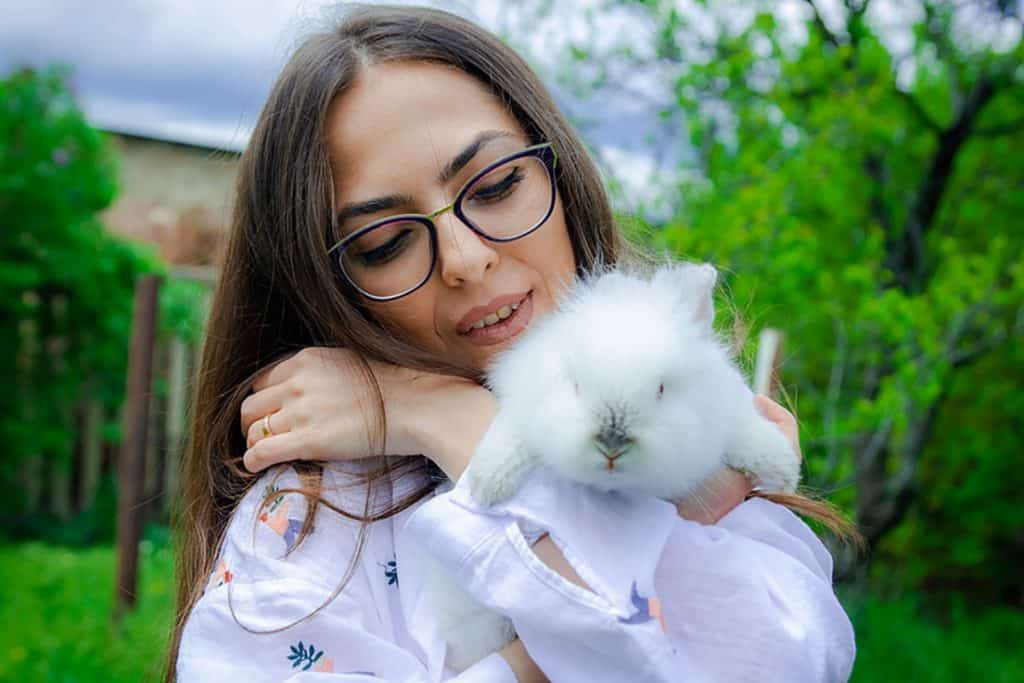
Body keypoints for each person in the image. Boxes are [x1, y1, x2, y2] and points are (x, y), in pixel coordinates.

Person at [169, 4, 856, 681]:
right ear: (324, 280)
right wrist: (535, 664)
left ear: (560, 172)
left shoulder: (691, 433)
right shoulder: (310, 515)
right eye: (386, 242)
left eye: (497, 186)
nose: (465, 258)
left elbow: (788, 656)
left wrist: (454, 421)